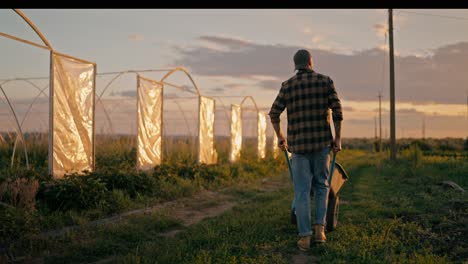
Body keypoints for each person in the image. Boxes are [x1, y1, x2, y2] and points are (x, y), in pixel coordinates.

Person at [268, 49, 343, 251]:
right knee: (321, 187)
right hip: (321, 147)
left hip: (299, 149)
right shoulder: (326, 81)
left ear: (296, 65)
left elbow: (273, 113)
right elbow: (337, 111)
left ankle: (304, 237)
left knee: (301, 192)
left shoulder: (287, 86)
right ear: (311, 62)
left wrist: (280, 137)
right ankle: (320, 231)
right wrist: (337, 138)